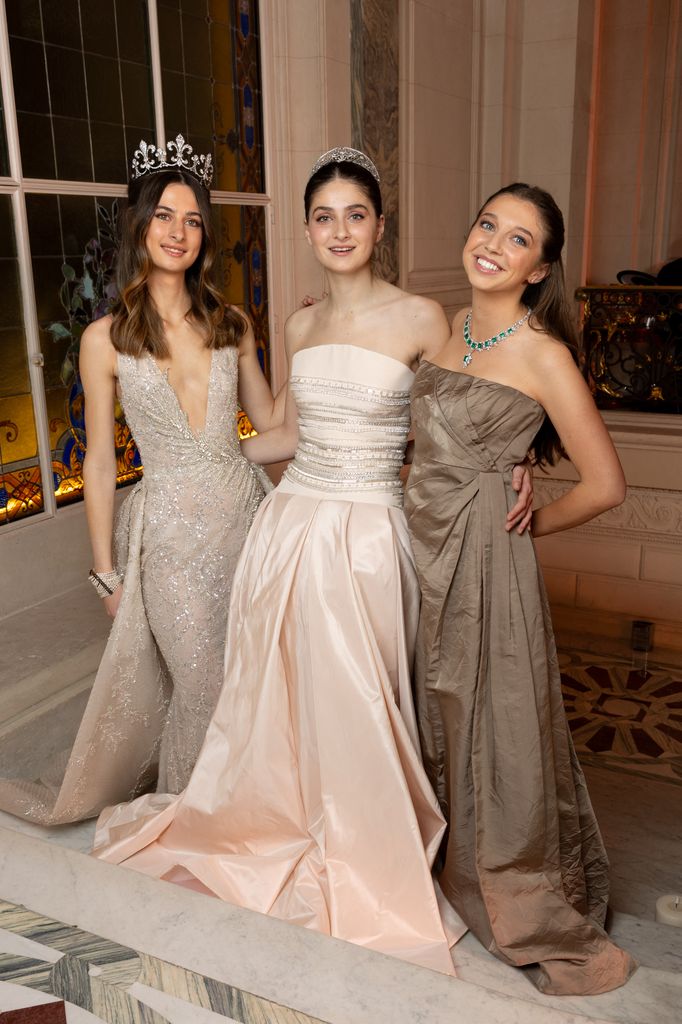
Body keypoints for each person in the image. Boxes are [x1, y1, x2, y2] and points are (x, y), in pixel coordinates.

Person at [91, 148, 534, 973]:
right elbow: (289, 434)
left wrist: (513, 456)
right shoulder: (297, 323)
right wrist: (200, 460)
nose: (339, 230)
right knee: (280, 702)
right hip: (289, 527)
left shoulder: (425, 319)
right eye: (323, 217)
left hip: (369, 536)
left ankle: (370, 850)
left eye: (354, 215)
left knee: (368, 700)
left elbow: (467, 412)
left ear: (378, 224)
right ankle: (283, 825)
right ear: (306, 229)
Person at [0, 136, 278, 825]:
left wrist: (326, 354)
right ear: (139, 224)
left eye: (192, 219)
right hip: (170, 537)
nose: (178, 232)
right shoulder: (105, 338)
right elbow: (98, 462)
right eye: (164, 216)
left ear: (205, 234)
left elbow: (273, 427)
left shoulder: (232, 322)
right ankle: (196, 822)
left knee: (252, 679)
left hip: (245, 521)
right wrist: (106, 574)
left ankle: (248, 813)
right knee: (201, 682)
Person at [404, 182, 637, 995]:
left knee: (487, 714)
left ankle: (505, 878)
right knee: (419, 703)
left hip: (482, 557)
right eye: (487, 224)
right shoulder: (445, 326)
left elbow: (606, 483)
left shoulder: (544, 354)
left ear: (539, 269)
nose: (494, 244)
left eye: (519, 239)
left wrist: (529, 525)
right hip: (413, 541)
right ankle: (424, 859)